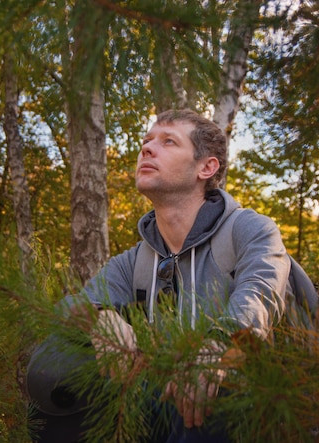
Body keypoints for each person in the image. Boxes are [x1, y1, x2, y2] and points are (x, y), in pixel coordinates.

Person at [27, 109, 290, 442]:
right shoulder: (136, 260)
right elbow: (69, 307)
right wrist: (100, 318)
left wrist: (217, 344)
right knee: (55, 362)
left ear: (206, 167)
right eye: (147, 142)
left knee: (211, 388)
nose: (148, 149)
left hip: (249, 404)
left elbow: (261, 294)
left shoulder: (251, 230)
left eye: (168, 141)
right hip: (159, 396)